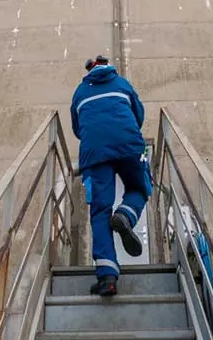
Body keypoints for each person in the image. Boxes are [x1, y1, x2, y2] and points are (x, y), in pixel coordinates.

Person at [70, 54, 152, 297]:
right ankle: (126, 214)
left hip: (95, 154)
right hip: (129, 145)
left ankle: (107, 278)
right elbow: (138, 115)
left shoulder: (79, 92)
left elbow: (77, 128)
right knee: (140, 187)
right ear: (109, 66)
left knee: (99, 211)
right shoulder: (123, 84)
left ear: (89, 70)